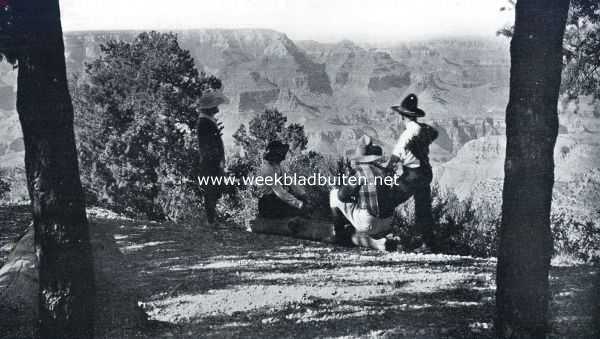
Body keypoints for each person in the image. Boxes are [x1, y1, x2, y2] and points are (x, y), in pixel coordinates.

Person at [388, 93, 438, 251]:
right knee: (423, 207)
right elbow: (434, 134)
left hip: (413, 174)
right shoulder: (423, 129)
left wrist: (387, 169)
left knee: (390, 199)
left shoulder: (408, 133)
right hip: (425, 172)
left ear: (403, 116)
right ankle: (427, 242)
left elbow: (396, 156)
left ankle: (384, 235)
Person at [329, 136, 398, 251]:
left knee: (333, 194)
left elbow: (342, 196)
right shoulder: (383, 172)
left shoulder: (359, 172)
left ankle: (339, 234)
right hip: (388, 222)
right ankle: (379, 236)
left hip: (369, 223)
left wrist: (351, 194)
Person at [197, 86, 229, 224]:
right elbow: (208, 146)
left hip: (211, 162)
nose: (217, 108)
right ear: (209, 108)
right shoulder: (204, 123)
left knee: (214, 191)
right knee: (210, 191)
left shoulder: (207, 121)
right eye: (215, 105)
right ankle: (211, 221)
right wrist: (217, 162)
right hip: (210, 163)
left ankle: (212, 219)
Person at [257, 140, 308, 219]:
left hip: (276, 199)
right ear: (275, 154)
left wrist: (303, 195)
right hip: (268, 204)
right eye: (280, 153)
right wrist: (299, 204)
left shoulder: (277, 166)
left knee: (301, 205)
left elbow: (290, 181)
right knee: (296, 211)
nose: (282, 156)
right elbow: (280, 192)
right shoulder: (267, 169)